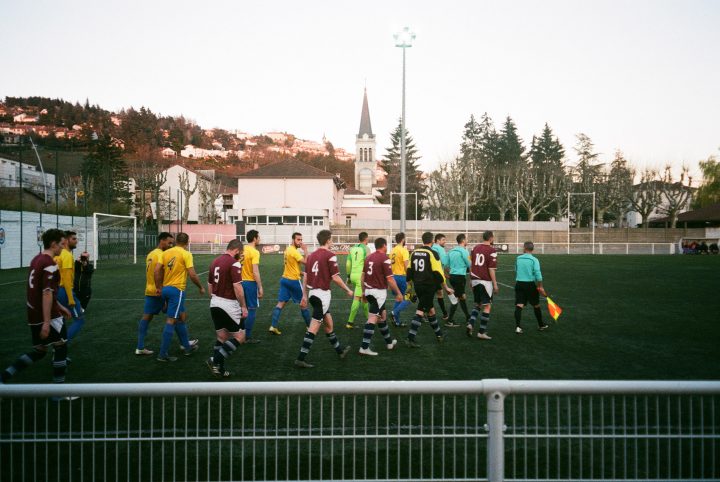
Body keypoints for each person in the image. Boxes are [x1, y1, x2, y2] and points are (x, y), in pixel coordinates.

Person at [1, 229, 73, 393]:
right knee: (61, 346)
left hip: (33, 313)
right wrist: (47, 322)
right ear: (54, 244)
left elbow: (43, 289)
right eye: (62, 244)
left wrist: (60, 306)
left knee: (40, 351)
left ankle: (3, 377)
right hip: (47, 315)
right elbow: (46, 292)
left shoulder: (36, 259)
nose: (63, 248)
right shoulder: (50, 263)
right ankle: (58, 393)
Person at [294, 229, 353, 368]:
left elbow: (306, 276)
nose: (332, 242)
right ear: (327, 240)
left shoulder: (312, 256)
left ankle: (340, 351)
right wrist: (348, 290)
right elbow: (336, 277)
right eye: (331, 239)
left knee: (329, 325)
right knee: (313, 328)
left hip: (314, 294)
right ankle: (300, 358)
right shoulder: (330, 255)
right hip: (322, 296)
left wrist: (304, 295)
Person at [154, 232, 205, 361]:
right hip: (177, 290)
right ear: (187, 242)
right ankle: (162, 354)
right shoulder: (186, 254)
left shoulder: (165, 253)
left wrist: (159, 287)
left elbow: (156, 270)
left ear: (176, 241)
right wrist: (201, 287)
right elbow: (192, 275)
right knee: (171, 320)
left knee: (181, 317)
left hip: (165, 289)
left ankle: (187, 347)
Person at [206, 239, 248, 378]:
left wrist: (215, 299)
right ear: (236, 250)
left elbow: (210, 286)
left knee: (222, 337)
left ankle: (220, 370)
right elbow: (238, 287)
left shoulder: (214, 262)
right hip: (228, 303)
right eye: (240, 253)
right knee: (240, 337)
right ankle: (215, 361)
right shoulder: (234, 263)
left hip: (214, 302)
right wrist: (243, 306)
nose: (240, 256)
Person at [405, 232, 454, 347]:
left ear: (423, 240)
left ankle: (439, 335)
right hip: (428, 286)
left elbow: (409, 271)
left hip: (418, 285)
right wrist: (446, 287)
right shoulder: (433, 253)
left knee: (431, 310)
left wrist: (409, 287)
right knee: (420, 310)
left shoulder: (414, 252)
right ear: (432, 241)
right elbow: (438, 273)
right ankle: (410, 338)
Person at [358, 237, 403, 356]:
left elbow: (362, 276)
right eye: (386, 245)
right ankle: (364, 347)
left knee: (382, 316)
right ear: (384, 245)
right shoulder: (384, 258)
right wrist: (398, 293)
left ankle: (389, 343)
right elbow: (390, 279)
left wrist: (363, 292)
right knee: (372, 318)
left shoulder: (368, 258)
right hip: (378, 293)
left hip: (368, 291)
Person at [135, 232, 175, 356]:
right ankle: (185, 344)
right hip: (159, 291)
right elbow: (158, 273)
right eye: (169, 242)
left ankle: (140, 346)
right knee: (176, 315)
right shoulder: (161, 255)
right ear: (162, 240)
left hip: (149, 289)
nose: (170, 245)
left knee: (147, 317)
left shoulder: (151, 253)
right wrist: (160, 289)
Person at [269, 232, 311, 334]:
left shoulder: (288, 250)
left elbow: (291, 266)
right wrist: (305, 250)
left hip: (284, 280)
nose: (300, 242)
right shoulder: (295, 252)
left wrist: (300, 272)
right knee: (304, 304)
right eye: (298, 239)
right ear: (293, 240)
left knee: (280, 304)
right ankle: (310, 327)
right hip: (293, 281)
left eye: (301, 239)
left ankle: (273, 326)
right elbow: (307, 262)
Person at [467, 231, 499, 340]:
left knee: (478, 304)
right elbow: (491, 269)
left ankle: (470, 323)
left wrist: (471, 279)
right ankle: (481, 332)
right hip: (485, 282)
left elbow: (471, 264)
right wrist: (495, 284)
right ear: (491, 238)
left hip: (475, 280)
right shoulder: (492, 250)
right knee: (487, 306)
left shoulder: (475, 248)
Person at [54, 230, 86, 342]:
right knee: (79, 320)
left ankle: (58, 350)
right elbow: (67, 280)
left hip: (56, 291)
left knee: (60, 321)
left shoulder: (57, 255)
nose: (76, 241)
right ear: (66, 241)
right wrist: (71, 299)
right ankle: (62, 349)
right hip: (64, 291)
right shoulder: (67, 256)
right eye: (74, 239)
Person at [514, 241, 549, 334]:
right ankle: (541, 325)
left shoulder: (518, 258)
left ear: (524, 248)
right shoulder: (534, 260)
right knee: (536, 305)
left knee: (519, 305)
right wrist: (540, 286)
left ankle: (518, 327)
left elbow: (516, 270)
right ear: (532, 249)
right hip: (530, 285)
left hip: (519, 284)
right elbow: (538, 274)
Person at [241, 230, 264, 343]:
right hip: (250, 283)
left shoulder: (242, 249)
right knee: (251, 309)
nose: (259, 239)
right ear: (254, 238)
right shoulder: (254, 252)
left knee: (242, 309)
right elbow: (255, 272)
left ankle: (238, 333)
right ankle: (247, 336)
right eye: (258, 237)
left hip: (239, 283)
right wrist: (260, 287)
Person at [345, 231, 370, 329]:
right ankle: (350, 322)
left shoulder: (352, 248)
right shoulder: (366, 249)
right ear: (366, 239)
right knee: (359, 298)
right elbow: (368, 264)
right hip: (361, 276)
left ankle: (369, 319)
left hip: (353, 275)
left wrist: (348, 276)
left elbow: (347, 264)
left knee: (363, 297)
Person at [447, 233, 471, 327]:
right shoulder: (464, 251)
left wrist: (450, 273)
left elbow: (445, 264)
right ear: (463, 240)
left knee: (460, 297)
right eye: (467, 239)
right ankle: (450, 320)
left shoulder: (451, 251)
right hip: (459, 277)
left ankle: (468, 317)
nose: (467, 241)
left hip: (453, 277)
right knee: (458, 298)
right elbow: (470, 264)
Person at [389, 232, 412, 327]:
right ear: (403, 239)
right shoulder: (403, 250)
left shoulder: (392, 250)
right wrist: (410, 278)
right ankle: (394, 312)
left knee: (398, 298)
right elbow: (406, 265)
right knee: (409, 298)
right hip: (402, 277)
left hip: (393, 277)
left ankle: (397, 322)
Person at [431, 233, 450, 321]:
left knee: (434, 294)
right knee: (439, 294)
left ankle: (444, 313)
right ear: (438, 241)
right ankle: (445, 314)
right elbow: (444, 262)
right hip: (437, 276)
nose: (444, 241)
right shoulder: (440, 249)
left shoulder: (431, 248)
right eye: (443, 240)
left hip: (429, 275)